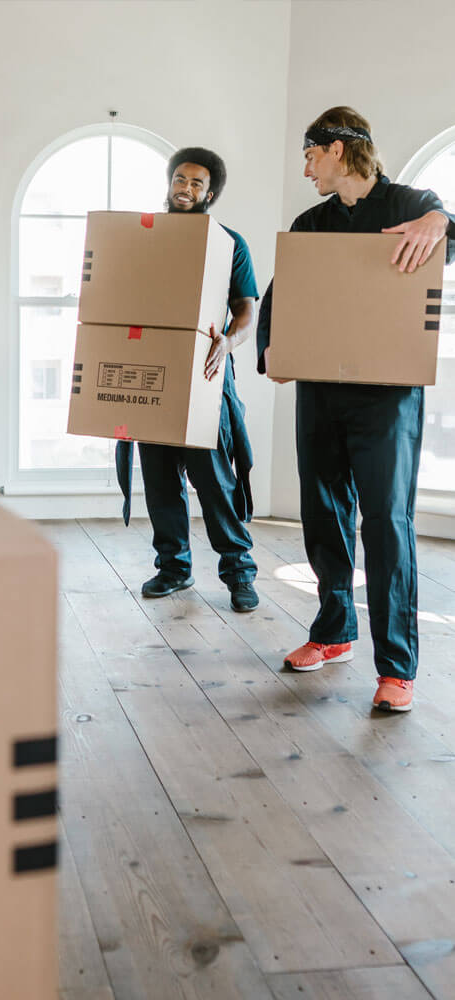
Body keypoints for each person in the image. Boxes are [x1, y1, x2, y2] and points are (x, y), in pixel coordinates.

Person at [257, 106, 455, 712]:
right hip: (320, 391)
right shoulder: (310, 222)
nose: (307, 167)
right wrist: (272, 351)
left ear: (337, 149)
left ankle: (397, 668)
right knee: (323, 515)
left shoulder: (408, 204)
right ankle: (334, 632)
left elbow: (453, 232)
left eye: (311, 154)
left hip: (387, 400)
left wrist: (439, 223)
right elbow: (280, 290)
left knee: (387, 523)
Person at [116, 147, 260, 613]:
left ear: (209, 193)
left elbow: (246, 311)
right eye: (181, 179)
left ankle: (239, 572)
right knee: (159, 480)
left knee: (214, 480)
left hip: (204, 373)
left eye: (197, 183)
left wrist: (228, 343)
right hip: (151, 372)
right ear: (169, 181)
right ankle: (174, 568)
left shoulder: (227, 242)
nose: (186, 188)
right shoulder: (145, 236)